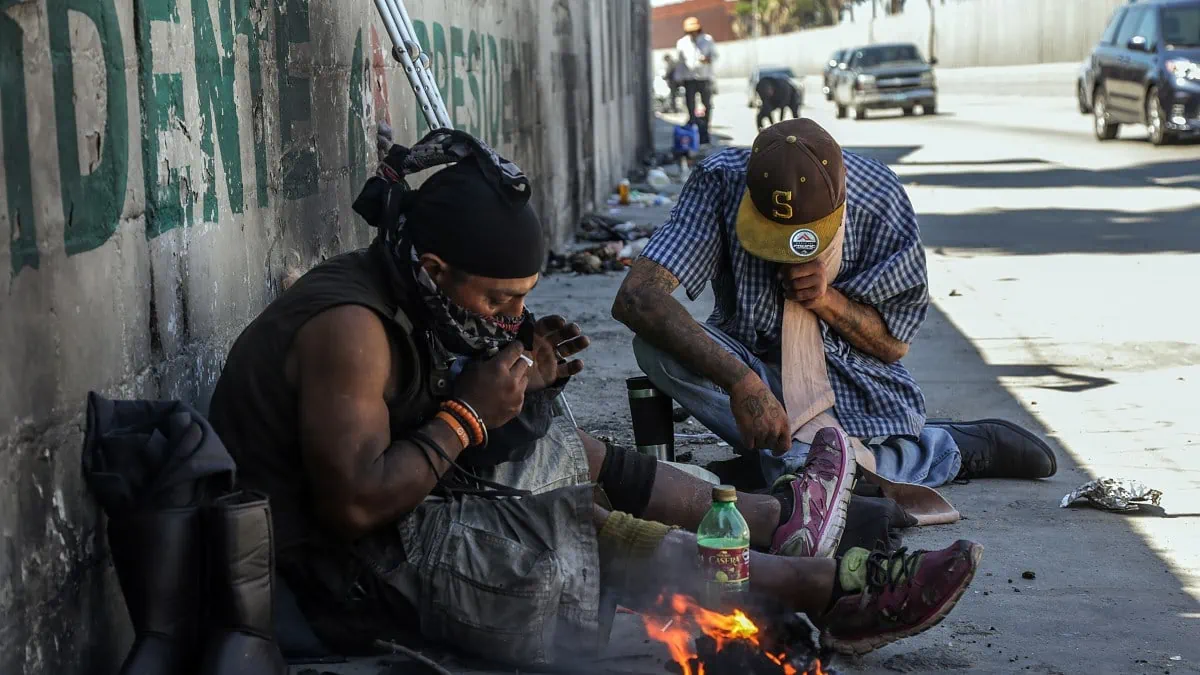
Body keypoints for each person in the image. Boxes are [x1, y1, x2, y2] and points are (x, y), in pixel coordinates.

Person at [207, 129, 983, 666]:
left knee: (553, 438)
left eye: (523, 299)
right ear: (436, 271)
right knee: (577, 531)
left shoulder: (407, 283)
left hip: (391, 524)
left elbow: (456, 416)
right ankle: (823, 590)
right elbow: (350, 508)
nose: (510, 316)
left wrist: (522, 374)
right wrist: (469, 412)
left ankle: (778, 522)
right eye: (497, 299)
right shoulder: (351, 330)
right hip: (330, 578)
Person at [613, 118, 1057, 490]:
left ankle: (941, 450)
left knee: (807, 480)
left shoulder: (878, 198)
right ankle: (791, 462)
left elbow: (893, 345)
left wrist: (828, 301)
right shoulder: (721, 181)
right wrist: (742, 382)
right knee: (653, 345)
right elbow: (638, 297)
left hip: (851, 382)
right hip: (754, 367)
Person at [675, 16, 718, 144]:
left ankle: (705, 129)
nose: (693, 33)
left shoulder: (707, 40)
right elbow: (680, 63)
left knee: (707, 105)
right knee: (690, 105)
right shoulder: (682, 43)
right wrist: (678, 79)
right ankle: (693, 128)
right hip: (689, 79)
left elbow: (715, 56)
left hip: (704, 78)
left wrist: (707, 59)